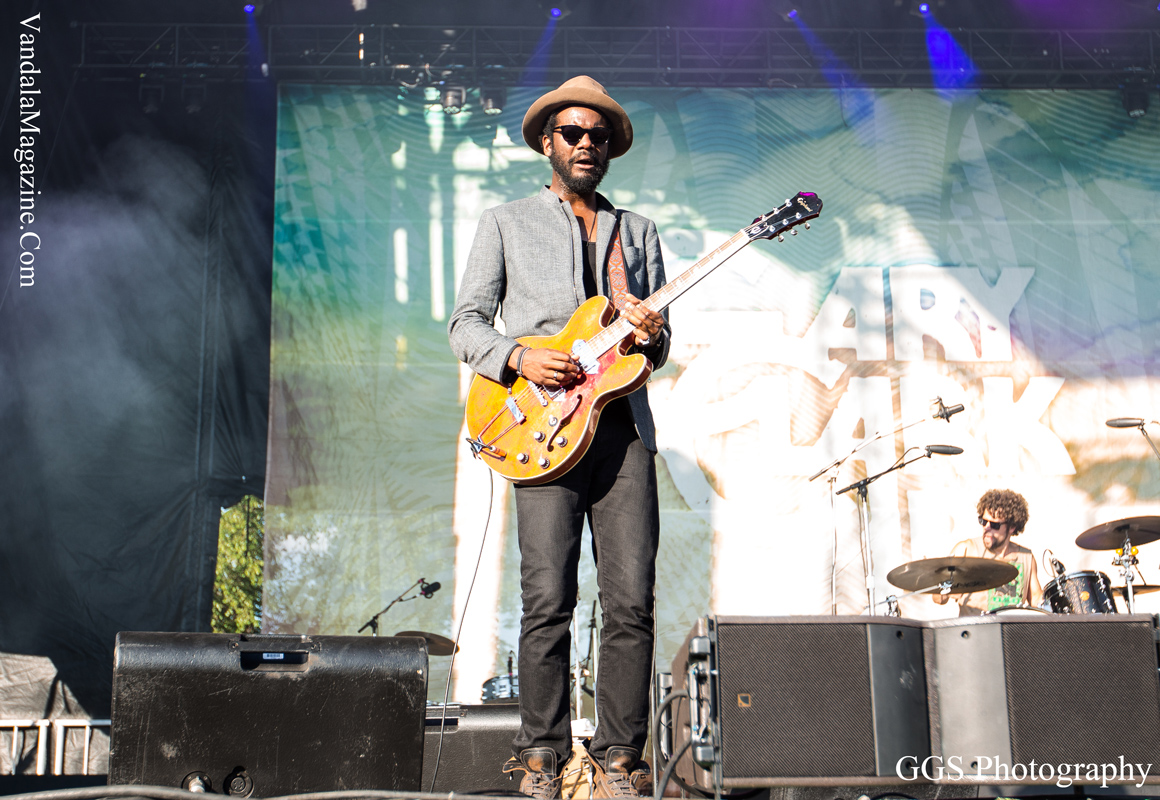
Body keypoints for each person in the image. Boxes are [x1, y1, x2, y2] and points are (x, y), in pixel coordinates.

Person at [447, 76, 670, 799]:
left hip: (622, 434)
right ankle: (539, 755)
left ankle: (619, 761)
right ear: (547, 141)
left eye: (597, 137)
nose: (585, 145)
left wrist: (654, 334)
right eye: (572, 133)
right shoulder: (506, 221)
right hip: (541, 429)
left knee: (631, 600)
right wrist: (518, 355)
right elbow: (466, 324)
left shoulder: (637, 232)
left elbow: (654, 352)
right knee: (549, 599)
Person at [934, 488, 1043, 616]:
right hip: (974, 631)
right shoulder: (967, 549)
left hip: (1011, 633)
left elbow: (1036, 598)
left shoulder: (1026, 557)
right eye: (983, 521)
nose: (987, 528)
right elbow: (938, 599)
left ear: (1012, 527)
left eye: (994, 525)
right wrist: (944, 589)